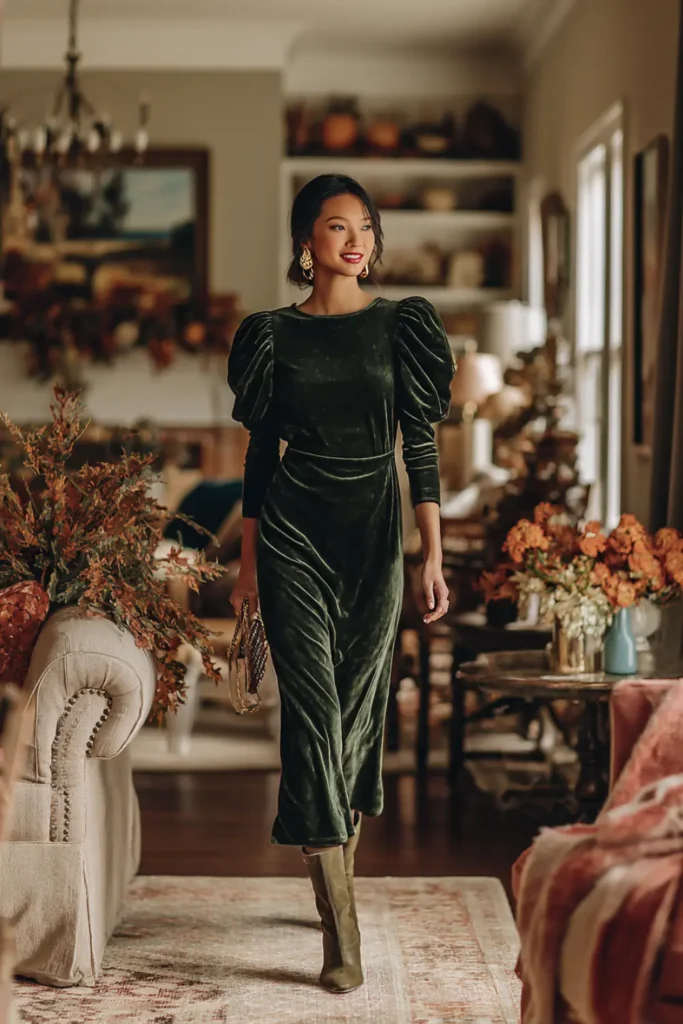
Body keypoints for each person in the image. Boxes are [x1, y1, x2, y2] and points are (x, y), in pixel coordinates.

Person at [227, 173, 455, 994]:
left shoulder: (402, 327)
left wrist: (431, 554)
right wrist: (248, 565)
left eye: (364, 226)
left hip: (373, 540)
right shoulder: (271, 336)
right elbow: (259, 459)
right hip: (293, 534)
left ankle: (332, 880)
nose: (355, 240)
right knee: (315, 716)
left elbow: (418, 447)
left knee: (359, 717)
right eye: (335, 226)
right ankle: (340, 929)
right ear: (304, 243)